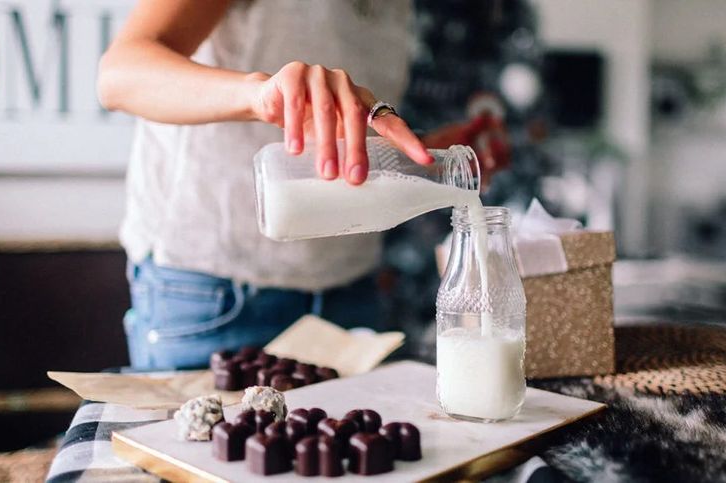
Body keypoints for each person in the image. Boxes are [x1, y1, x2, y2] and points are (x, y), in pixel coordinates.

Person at [98, 0, 508, 370]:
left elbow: (343, 137)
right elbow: (120, 74)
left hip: (349, 288)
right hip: (214, 294)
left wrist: (423, 155)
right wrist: (260, 94)